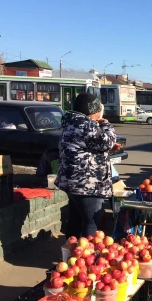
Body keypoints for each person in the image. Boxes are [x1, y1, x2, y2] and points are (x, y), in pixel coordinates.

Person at [55, 93, 116, 238]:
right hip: (86, 183)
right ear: (92, 110)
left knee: (75, 219)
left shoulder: (71, 122)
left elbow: (85, 146)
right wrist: (106, 124)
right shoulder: (86, 124)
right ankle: (88, 257)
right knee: (92, 221)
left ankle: (70, 253)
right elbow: (108, 141)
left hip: (71, 180)